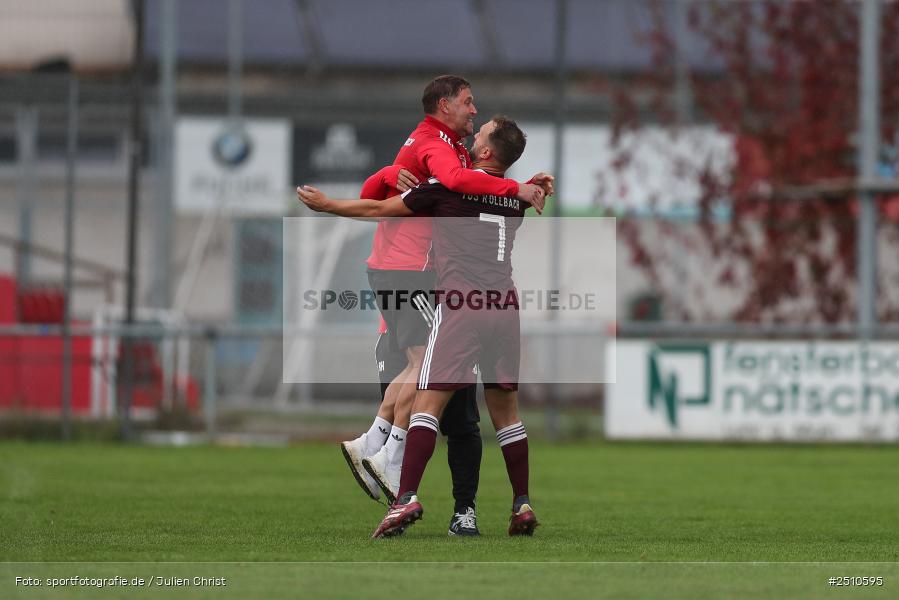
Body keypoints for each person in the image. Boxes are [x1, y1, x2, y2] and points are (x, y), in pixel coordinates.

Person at [298, 115, 541, 538]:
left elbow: (377, 207)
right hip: (505, 308)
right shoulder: (520, 200)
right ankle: (521, 504)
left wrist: (328, 206)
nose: (472, 133)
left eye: (479, 133)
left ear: (483, 152)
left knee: (428, 405)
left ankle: (405, 496)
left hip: (461, 307)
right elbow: (500, 193)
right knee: (507, 416)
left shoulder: (448, 189)